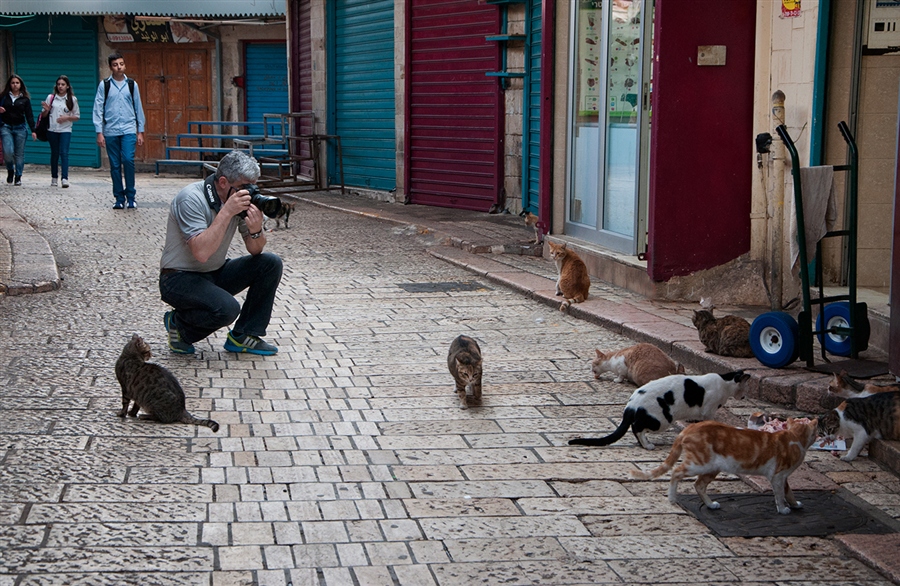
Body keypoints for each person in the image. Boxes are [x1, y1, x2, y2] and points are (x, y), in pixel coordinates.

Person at [159, 150, 283, 356]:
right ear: (223, 182)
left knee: (270, 263)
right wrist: (226, 211)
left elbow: (255, 249)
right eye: (244, 187)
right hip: (178, 278)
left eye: (253, 186)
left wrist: (255, 230)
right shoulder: (190, 198)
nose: (249, 193)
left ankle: (244, 335)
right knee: (227, 308)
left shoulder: (237, 200)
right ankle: (179, 326)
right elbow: (201, 253)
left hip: (214, 272)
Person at [92, 52, 145, 209]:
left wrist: (140, 130)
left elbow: (138, 107)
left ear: (125, 65)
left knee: (128, 160)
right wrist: (99, 132)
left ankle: (131, 196)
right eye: (115, 65)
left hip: (128, 128)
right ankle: (119, 198)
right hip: (111, 130)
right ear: (110, 67)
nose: (119, 67)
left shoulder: (131, 85)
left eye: (121, 64)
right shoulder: (105, 85)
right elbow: (98, 108)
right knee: (115, 165)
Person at [41, 75, 81, 188]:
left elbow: (77, 116)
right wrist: (47, 110)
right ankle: (54, 177)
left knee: (64, 153)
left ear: (67, 86)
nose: (60, 86)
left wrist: (67, 118)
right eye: (58, 84)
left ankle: (65, 178)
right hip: (52, 129)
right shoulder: (51, 98)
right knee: (55, 153)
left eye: (63, 84)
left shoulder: (72, 99)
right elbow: (43, 115)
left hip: (65, 129)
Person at [0, 74, 36, 186]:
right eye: (13, 83)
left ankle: (18, 176)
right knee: (8, 151)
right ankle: (10, 170)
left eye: (17, 83)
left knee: (19, 153)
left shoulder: (25, 99)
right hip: (6, 127)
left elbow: (29, 115)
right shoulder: (3, 97)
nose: (15, 85)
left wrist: (33, 130)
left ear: (20, 85)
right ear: (9, 84)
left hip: (20, 127)